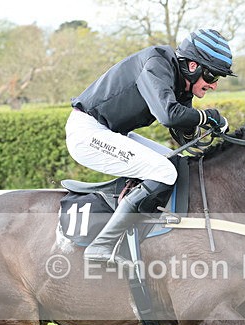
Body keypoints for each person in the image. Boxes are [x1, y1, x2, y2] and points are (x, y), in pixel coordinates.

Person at [65, 29, 235, 265]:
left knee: (174, 162)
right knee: (163, 171)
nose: (214, 85)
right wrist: (207, 117)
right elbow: (169, 115)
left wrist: (202, 129)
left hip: (109, 132)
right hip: (87, 133)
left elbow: (182, 131)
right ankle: (101, 246)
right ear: (194, 66)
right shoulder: (156, 64)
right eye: (213, 77)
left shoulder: (181, 82)